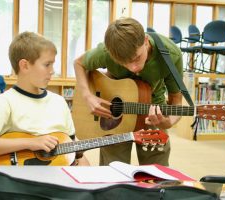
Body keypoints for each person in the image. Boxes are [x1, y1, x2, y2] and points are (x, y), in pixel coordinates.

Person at [73, 17, 183, 166]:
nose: (133, 68)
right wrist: (87, 95)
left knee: (156, 173)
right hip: (112, 116)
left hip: (152, 111)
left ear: (145, 40)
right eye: (123, 63)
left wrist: (168, 122)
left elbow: (176, 101)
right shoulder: (106, 52)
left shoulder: (171, 55)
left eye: (137, 58)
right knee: (112, 172)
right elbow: (79, 63)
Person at [0, 32, 89, 166]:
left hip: (57, 180)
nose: (52, 71)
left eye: (53, 64)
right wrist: (31, 143)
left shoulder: (59, 102)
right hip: (17, 181)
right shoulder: (6, 101)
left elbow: (76, 153)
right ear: (24, 65)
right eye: (47, 64)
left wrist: (90, 178)